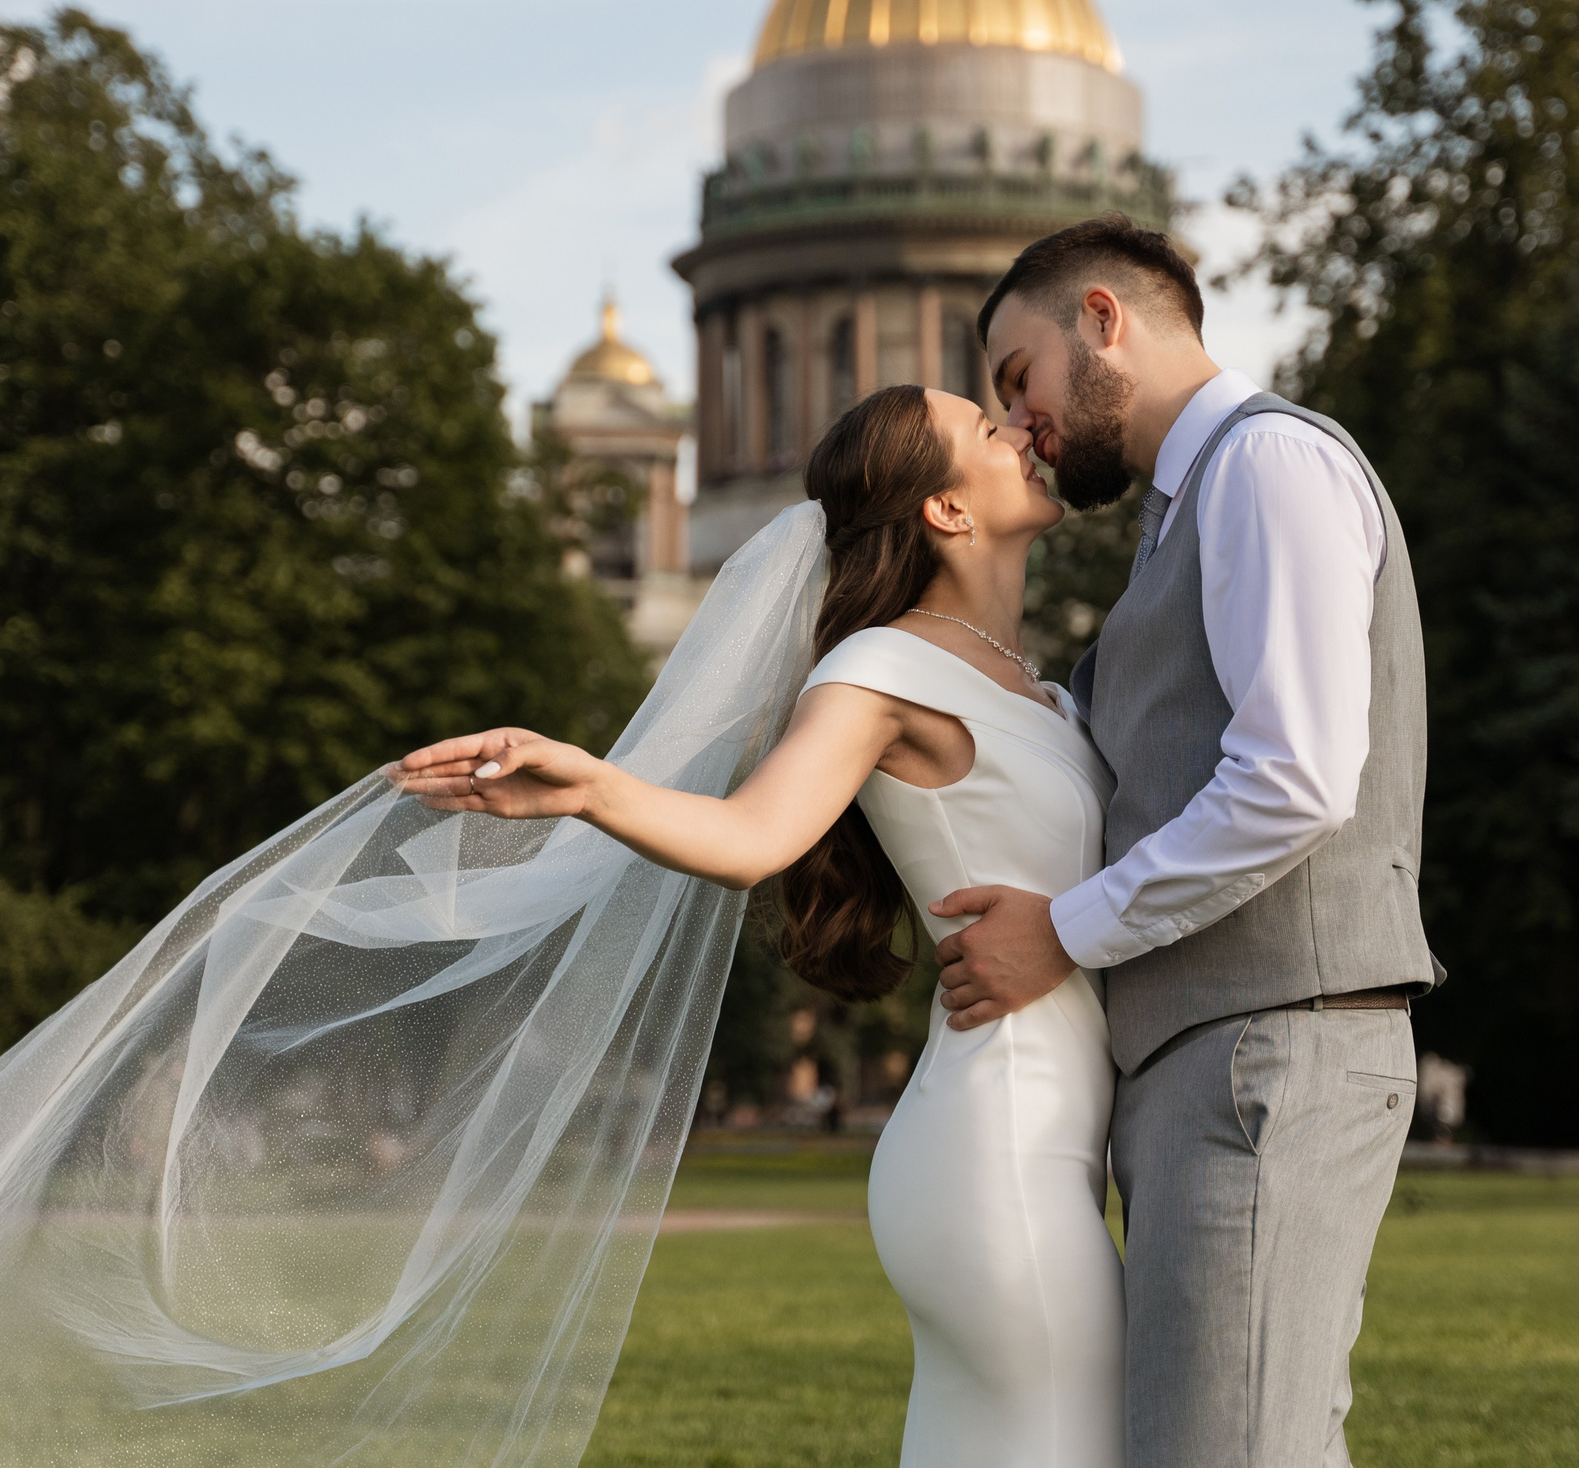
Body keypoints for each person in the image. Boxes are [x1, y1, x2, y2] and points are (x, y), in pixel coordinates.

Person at [398, 381, 1127, 1468]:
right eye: (988, 427)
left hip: (1048, 1140)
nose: (1023, 427)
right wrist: (595, 787)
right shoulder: (881, 666)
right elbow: (751, 833)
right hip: (999, 1147)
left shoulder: (1048, 694)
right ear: (946, 510)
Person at [926, 215, 1444, 1467]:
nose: (1020, 423)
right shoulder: (1179, 519)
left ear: (1102, 318)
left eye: (1019, 377)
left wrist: (1063, 928)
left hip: (1273, 1042)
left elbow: (1294, 776)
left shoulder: (1268, 466)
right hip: (1212, 1057)